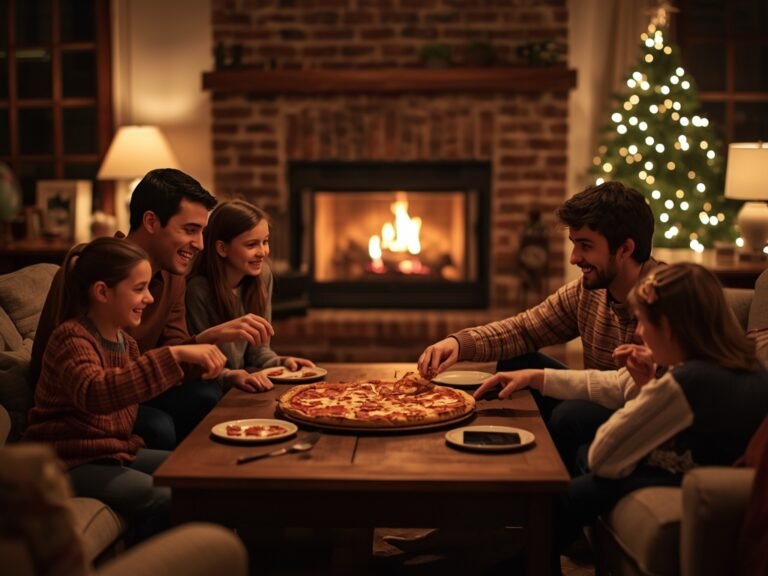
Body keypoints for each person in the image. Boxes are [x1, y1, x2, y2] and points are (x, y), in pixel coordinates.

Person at [417, 181, 661, 472]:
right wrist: (459, 344)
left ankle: (554, 486)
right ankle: (509, 463)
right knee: (517, 361)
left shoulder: (668, 299)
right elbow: (525, 330)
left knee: (571, 416)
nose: (574, 258)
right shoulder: (588, 291)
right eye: (574, 245)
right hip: (597, 391)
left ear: (625, 249)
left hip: (639, 412)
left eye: (585, 246)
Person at [30, 168, 274, 448]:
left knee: (206, 395)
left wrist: (213, 345)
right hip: (87, 404)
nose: (199, 244)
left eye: (202, 231)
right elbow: (78, 371)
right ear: (150, 221)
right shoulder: (91, 270)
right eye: (190, 230)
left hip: (139, 386)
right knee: (159, 426)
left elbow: (175, 352)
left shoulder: (175, 277)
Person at [23, 238, 227, 542]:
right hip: (67, 460)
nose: (148, 298)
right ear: (103, 292)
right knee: (167, 497)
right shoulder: (71, 338)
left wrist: (217, 372)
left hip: (113, 451)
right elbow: (96, 392)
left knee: (198, 473)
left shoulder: (124, 341)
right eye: (139, 288)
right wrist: (172, 356)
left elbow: (140, 383)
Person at [186, 200, 314, 392]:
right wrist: (230, 376)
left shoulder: (262, 276)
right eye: (252, 244)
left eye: (265, 241)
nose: (263, 252)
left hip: (241, 379)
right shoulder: (198, 289)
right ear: (222, 248)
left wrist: (280, 362)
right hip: (210, 383)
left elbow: (259, 351)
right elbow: (196, 361)